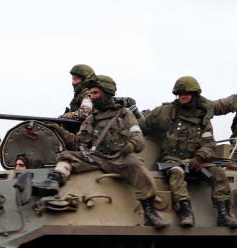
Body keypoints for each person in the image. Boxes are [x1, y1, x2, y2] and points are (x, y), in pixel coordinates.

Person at [37, 75, 170, 229]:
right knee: (66, 156)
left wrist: (129, 147)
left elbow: (138, 137)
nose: (92, 97)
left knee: (137, 167)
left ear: (106, 93)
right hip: (97, 157)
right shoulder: (91, 119)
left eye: (95, 93)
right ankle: (53, 181)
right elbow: (78, 143)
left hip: (120, 157)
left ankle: (150, 212)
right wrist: (58, 128)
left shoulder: (124, 114)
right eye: (91, 94)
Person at [141, 77, 237, 228]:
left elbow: (209, 143)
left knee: (218, 173)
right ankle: (185, 212)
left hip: (197, 161)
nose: (183, 96)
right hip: (171, 159)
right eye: (180, 93)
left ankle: (224, 214)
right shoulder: (165, 112)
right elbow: (142, 125)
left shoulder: (203, 117)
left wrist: (200, 157)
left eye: (187, 93)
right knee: (176, 173)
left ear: (195, 95)